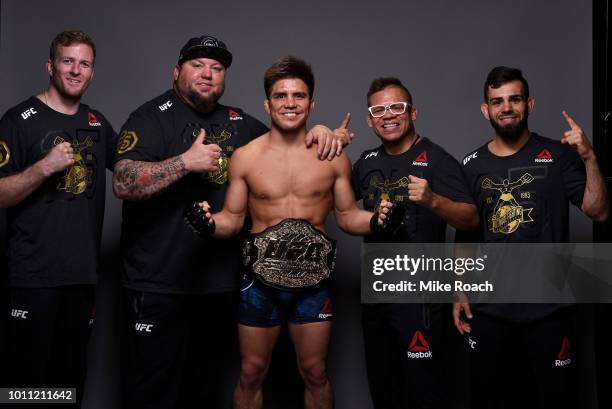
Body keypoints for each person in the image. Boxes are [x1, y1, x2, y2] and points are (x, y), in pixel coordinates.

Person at [112, 37, 353, 409]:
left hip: (218, 283)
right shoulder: (152, 116)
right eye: (197, 65)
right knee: (153, 387)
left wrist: (325, 135)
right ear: (177, 71)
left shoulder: (240, 123)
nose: (207, 74)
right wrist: (184, 163)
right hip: (159, 279)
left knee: (206, 386)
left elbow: (287, 134)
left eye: (217, 68)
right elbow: (123, 180)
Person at [187, 56, 395, 409]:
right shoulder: (246, 157)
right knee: (251, 371)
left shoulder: (332, 157)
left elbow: (346, 216)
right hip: (259, 284)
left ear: (311, 104)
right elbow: (232, 220)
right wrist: (208, 224)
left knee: (314, 371)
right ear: (267, 103)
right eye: (281, 96)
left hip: (313, 284)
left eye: (298, 96)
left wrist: (376, 221)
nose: (289, 103)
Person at [453, 66, 609, 408]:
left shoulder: (558, 156)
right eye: (497, 101)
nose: (506, 107)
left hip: (549, 310)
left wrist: (589, 156)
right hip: (490, 311)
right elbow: (464, 233)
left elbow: (599, 211)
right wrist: (459, 290)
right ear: (486, 110)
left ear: (530, 104)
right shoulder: (471, 166)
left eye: (515, 99)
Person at [0, 30, 115, 407]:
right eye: (68, 61)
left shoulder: (97, 124)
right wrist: (44, 167)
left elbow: (133, 169)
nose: (75, 70)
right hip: (33, 276)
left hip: (81, 277)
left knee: (68, 381)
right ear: (51, 66)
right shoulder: (19, 120)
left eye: (84, 63)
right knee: (26, 382)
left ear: (93, 72)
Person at [351, 77, 479, 409]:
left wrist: (434, 200)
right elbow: (336, 201)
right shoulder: (365, 162)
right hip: (376, 295)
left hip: (420, 299)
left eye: (396, 107)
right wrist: (330, 143)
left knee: (424, 392)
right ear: (369, 119)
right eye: (379, 109)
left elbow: (470, 219)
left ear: (413, 112)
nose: (388, 115)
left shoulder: (437, 160)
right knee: (384, 391)